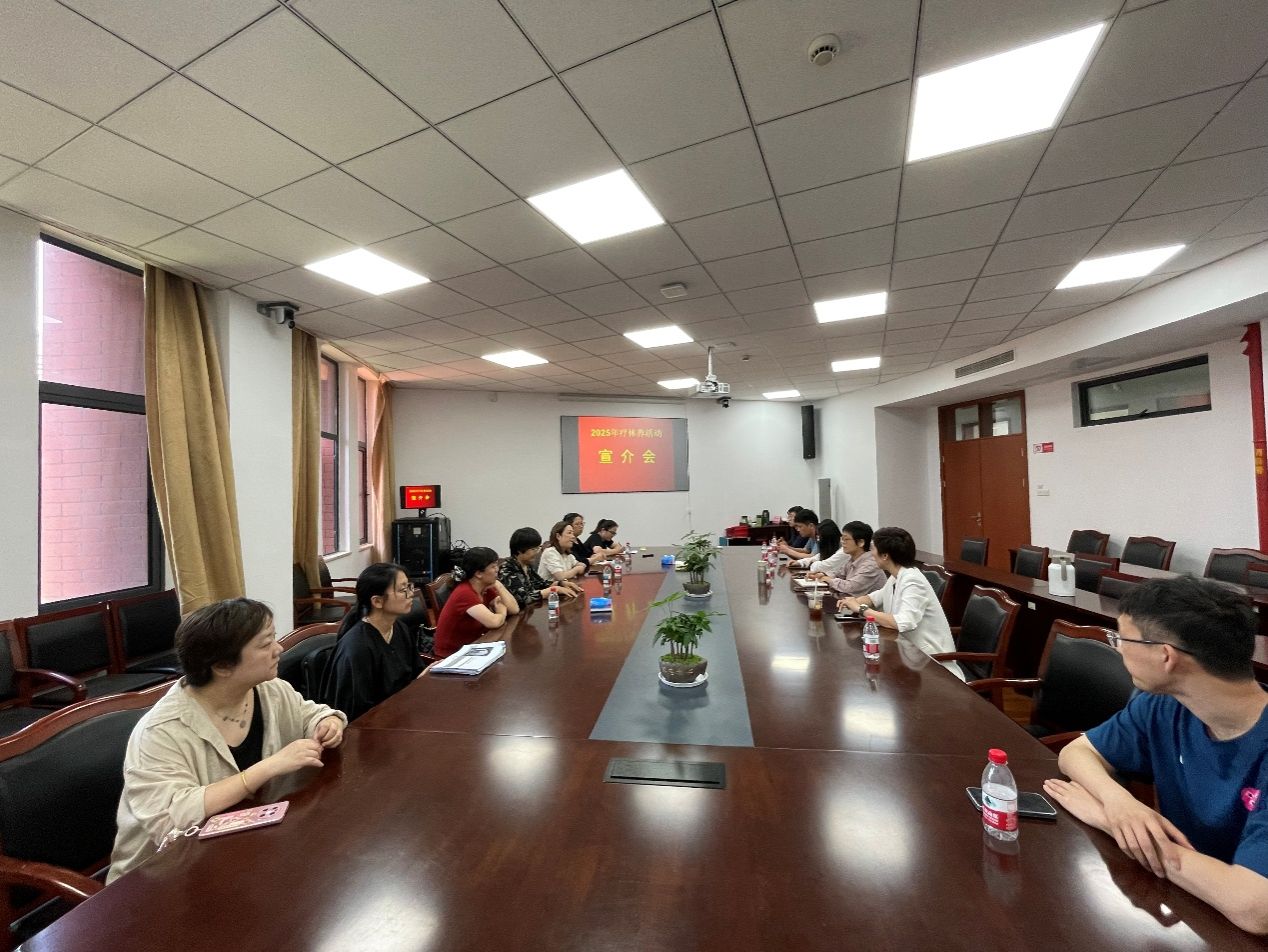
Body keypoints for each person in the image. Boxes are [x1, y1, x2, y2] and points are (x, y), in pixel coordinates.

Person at [1043, 578, 1268, 934]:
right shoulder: (1165, 706)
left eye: (1122, 639)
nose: (1118, 649)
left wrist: (1109, 821)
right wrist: (1120, 804)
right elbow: (1077, 752)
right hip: (1195, 905)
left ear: (1166, 656)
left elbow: (1254, 907)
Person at [110, 598, 346, 882]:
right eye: (265, 644)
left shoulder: (269, 690)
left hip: (241, 853)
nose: (278, 649)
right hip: (160, 876)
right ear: (222, 666)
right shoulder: (161, 731)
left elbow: (309, 714)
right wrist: (269, 767)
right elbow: (172, 818)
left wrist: (327, 723)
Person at [837, 527, 963, 680]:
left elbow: (903, 622)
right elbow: (876, 597)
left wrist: (861, 608)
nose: (871, 553)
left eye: (873, 549)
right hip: (908, 656)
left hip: (932, 664)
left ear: (885, 556)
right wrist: (852, 601)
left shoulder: (912, 580)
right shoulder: (897, 575)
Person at [318, 562, 426, 722]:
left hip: (401, 714)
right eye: (402, 590)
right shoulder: (357, 647)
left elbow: (414, 674)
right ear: (377, 601)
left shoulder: (399, 628)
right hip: (372, 726)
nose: (411, 594)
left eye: (409, 587)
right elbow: (357, 713)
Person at [434, 546, 519, 659]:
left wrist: (499, 585)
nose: (497, 569)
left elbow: (514, 609)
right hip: (451, 656)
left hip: (473, 646)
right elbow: (494, 622)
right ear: (478, 573)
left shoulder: (485, 588)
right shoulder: (465, 592)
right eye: (493, 566)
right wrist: (502, 611)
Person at [499, 526, 581, 609]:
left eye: (539, 547)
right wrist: (553, 590)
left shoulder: (526, 565)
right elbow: (524, 599)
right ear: (520, 550)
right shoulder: (507, 569)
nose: (538, 552)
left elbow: (540, 584)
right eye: (534, 549)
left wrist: (560, 583)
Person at [818, 520, 887, 598]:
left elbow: (851, 587)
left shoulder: (871, 564)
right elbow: (839, 575)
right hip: (849, 602)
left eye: (846, 539)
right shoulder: (853, 558)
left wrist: (828, 580)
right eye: (842, 539)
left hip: (865, 605)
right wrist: (823, 575)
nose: (843, 542)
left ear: (861, 542)